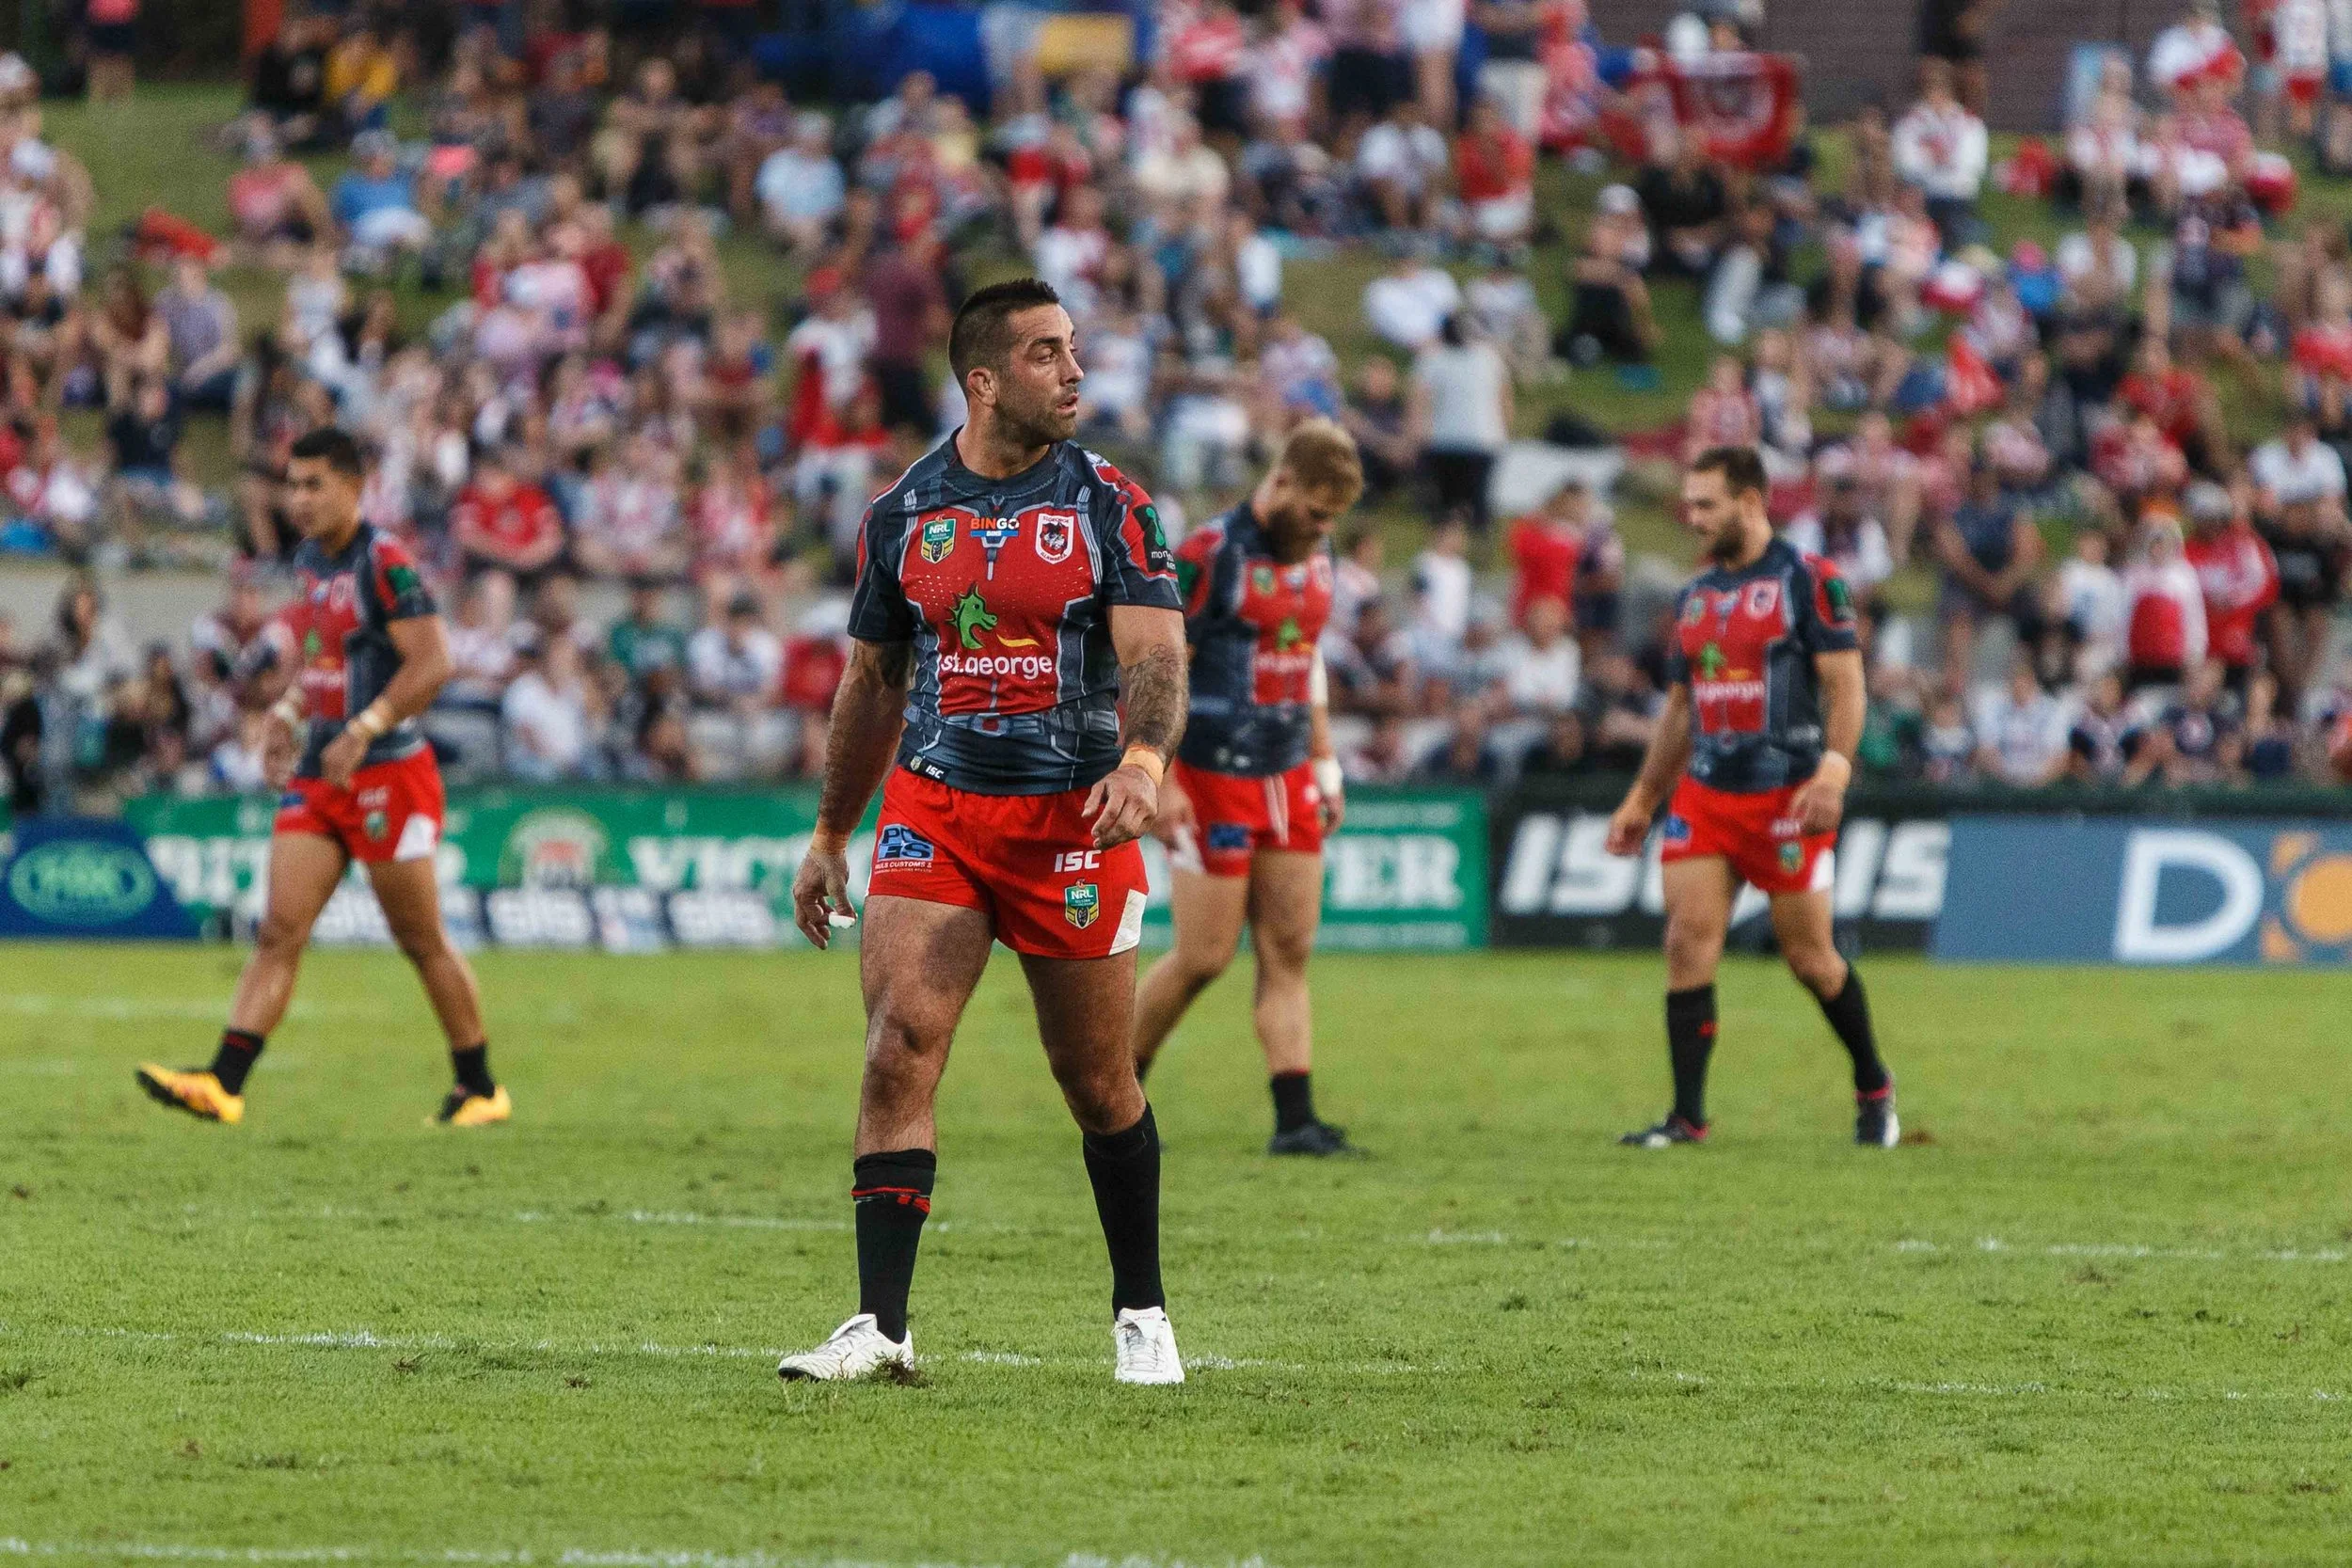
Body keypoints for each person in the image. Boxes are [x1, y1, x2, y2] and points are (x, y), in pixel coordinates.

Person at [781, 279, 1190, 1386]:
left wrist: (1143, 761)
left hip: (1072, 820)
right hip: (935, 811)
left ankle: (1142, 1309)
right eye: (1047, 353)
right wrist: (830, 829)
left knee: (1098, 1081)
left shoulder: (1111, 504)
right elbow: (870, 680)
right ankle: (880, 1326)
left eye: (1073, 350)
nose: (1075, 372)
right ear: (984, 379)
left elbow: (1154, 658)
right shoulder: (903, 513)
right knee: (897, 1044)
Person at [135, 428, 502, 1128]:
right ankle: (224, 1082)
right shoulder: (309, 561)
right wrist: (289, 706)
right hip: (322, 769)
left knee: (420, 939)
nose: (297, 500)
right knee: (279, 928)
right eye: (292, 485)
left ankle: (480, 1086)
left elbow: (432, 665)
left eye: (313, 485)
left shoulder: (386, 563)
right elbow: (323, 655)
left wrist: (365, 726)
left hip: (388, 771)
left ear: (353, 487)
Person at [1604, 446, 1899, 1150]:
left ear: (1751, 502)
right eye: (1690, 502)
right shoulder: (1695, 597)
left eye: (1706, 503)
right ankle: (1687, 1118)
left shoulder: (1811, 580)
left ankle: (1873, 1084)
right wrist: (1644, 796)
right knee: (1686, 944)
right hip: (1707, 793)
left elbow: (1846, 684)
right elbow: (1680, 708)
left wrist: (1833, 771)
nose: (1692, 516)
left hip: (1788, 798)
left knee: (1811, 959)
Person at [1132, 420, 1363, 1156]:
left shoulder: (1312, 550)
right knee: (1203, 956)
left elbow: (1305, 656)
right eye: (1319, 512)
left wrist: (1324, 761)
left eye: (1334, 519)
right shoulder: (1210, 552)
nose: (1325, 529)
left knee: (1289, 947)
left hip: (1287, 769)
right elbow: (1158, 661)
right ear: (1283, 480)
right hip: (1210, 774)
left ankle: (1295, 1119)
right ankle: (1112, 1091)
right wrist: (1154, 771)